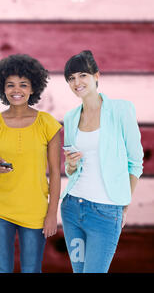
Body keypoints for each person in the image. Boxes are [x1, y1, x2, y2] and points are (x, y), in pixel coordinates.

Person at [61, 50, 144, 273]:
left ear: (96, 76)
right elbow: (72, 170)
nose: (77, 82)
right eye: (71, 78)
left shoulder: (120, 110)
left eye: (82, 75)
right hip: (72, 209)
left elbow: (135, 162)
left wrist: (123, 206)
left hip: (106, 213)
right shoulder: (70, 118)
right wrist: (70, 164)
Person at [0, 54, 61, 273]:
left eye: (23, 85)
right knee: (2, 270)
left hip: (35, 211)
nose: (17, 90)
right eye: (11, 85)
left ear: (33, 88)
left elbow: (55, 172)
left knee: (31, 270)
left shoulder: (47, 124)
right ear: (2, 88)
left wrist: (52, 213)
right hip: (0, 211)